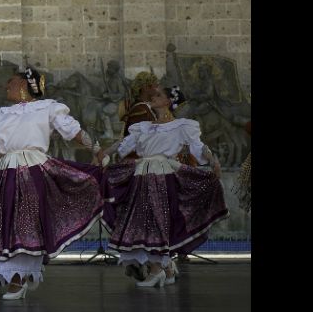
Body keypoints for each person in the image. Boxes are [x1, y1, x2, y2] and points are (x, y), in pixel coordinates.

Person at [0, 67, 104, 300]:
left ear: (24, 85)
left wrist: (96, 149)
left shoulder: (47, 107)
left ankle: (19, 277)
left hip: (32, 168)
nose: (7, 86)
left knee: (26, 222)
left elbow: (72, 129)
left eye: (11, 82)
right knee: (6, 220)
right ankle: (16, 274)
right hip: (5, 170)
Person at [98, 87, 229, 287]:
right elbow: (123, 144)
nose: (153, 97)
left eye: (159, 95)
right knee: (144, 220)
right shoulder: (143, 126)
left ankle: (157, 269)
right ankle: (165, 268)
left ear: (168, 101)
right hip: (142, 175)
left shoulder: (181, 125)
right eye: (153, 95)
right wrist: (102, 153)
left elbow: (198, 146)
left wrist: (213, 160)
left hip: (163, 174)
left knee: (156, 220)